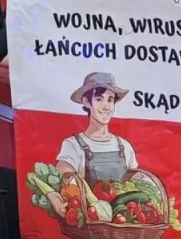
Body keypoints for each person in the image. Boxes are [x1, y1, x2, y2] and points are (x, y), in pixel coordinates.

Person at [47, 72, 139, 218]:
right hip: (88, 227)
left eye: (110, 100)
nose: (106, 107)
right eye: (99, 99)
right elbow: (62, 177)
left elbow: (136, 180)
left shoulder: (125, 146)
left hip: (123, 227)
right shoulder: (73, 145)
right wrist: (52, 193)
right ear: (86, 102)